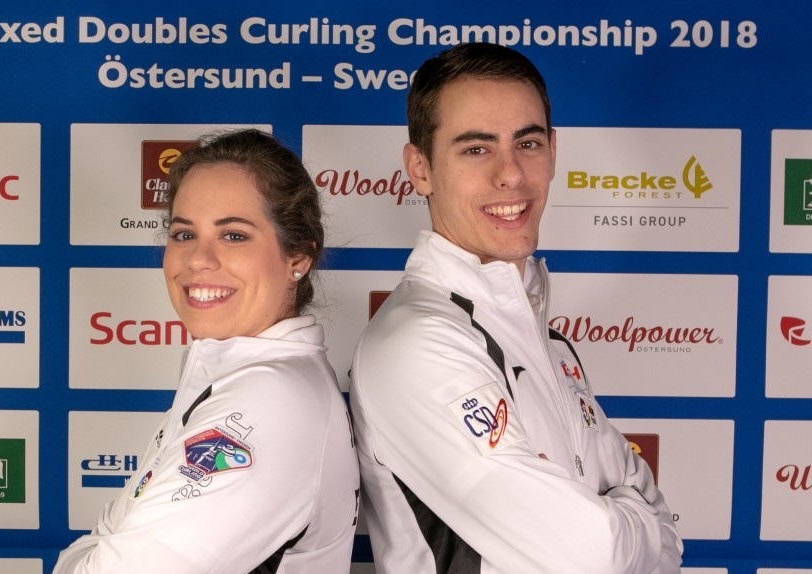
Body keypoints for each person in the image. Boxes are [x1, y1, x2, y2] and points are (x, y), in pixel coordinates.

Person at [348, 43, 683, 573]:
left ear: (553, 151)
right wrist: (622, 516)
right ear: (420, 169)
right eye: (476, 149)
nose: (511, 175)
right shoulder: (416, 345)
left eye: (527, 143)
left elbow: (665, 524)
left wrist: (619, 522)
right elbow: (588, 556)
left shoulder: (544, 338)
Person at [54, 129, 359, 573]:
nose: (198, 259)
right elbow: (103, 545)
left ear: (298, 256)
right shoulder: (235, 371)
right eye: (183, 234)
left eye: (233, 236)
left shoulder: (270, 400)